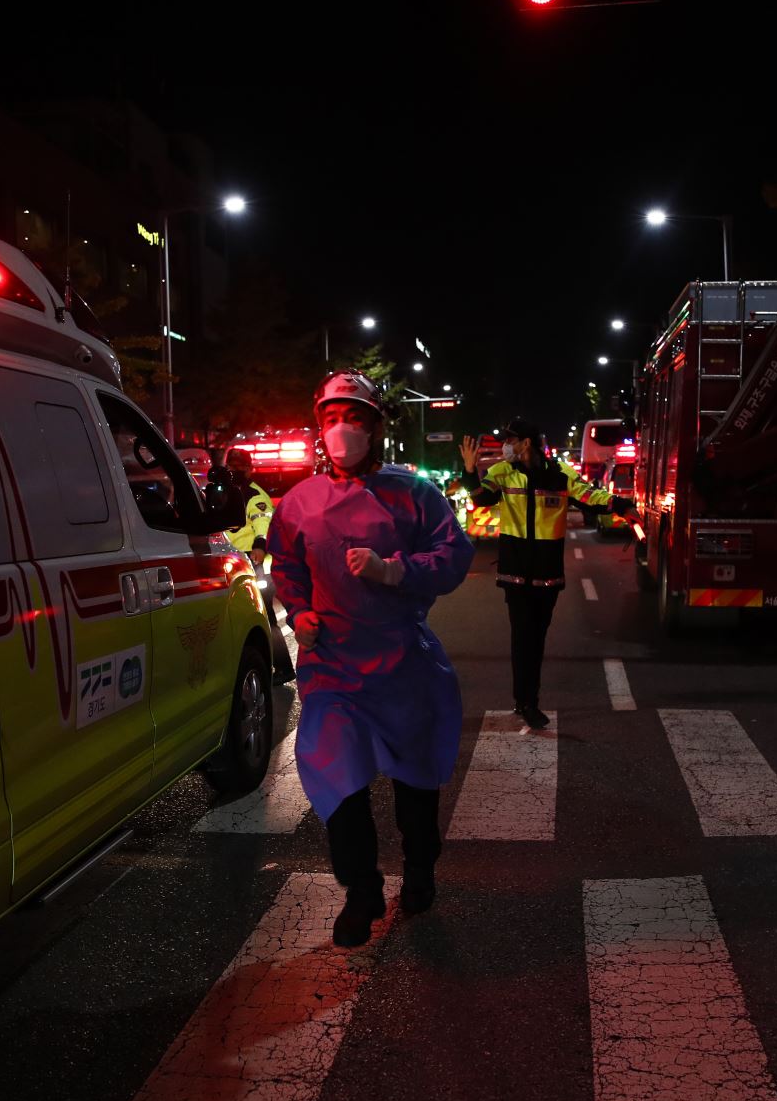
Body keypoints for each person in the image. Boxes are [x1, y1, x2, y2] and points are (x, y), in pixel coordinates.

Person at [267, 371, 474, 947]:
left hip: (401, 662)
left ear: (376, 427)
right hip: (333, 666)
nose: (341, 430)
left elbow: (455, 555)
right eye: (331, 419)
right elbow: (286, 567)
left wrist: (397, 571)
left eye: (353, 417)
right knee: (339, 785)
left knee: (415, 786)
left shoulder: (415, 494)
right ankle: (361, 891)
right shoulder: (299, 503)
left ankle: (421, 868)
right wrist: (299, 613)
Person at [460, 419, 634, 729]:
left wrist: (621, 504)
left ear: (526, 443)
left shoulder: (559, 475)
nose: (506, 446)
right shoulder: (503, 472)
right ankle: (528, 702)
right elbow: (481, 497)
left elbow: (589, 495)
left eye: (510, 440)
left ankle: (525, 698)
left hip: (547, 572)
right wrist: (470, 471)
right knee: (522, 637)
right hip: (515, 571)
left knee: (536, 638)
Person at [222, 446, 295, 684]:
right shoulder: (222, 494)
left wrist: (259, 547)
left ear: (250, 470)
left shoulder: (256, 496)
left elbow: (263, 526)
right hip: (232, 564)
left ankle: (283, 668)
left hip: (256, 564)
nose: (235, 471)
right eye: (232, 467)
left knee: (265, 618)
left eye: (240, 467)